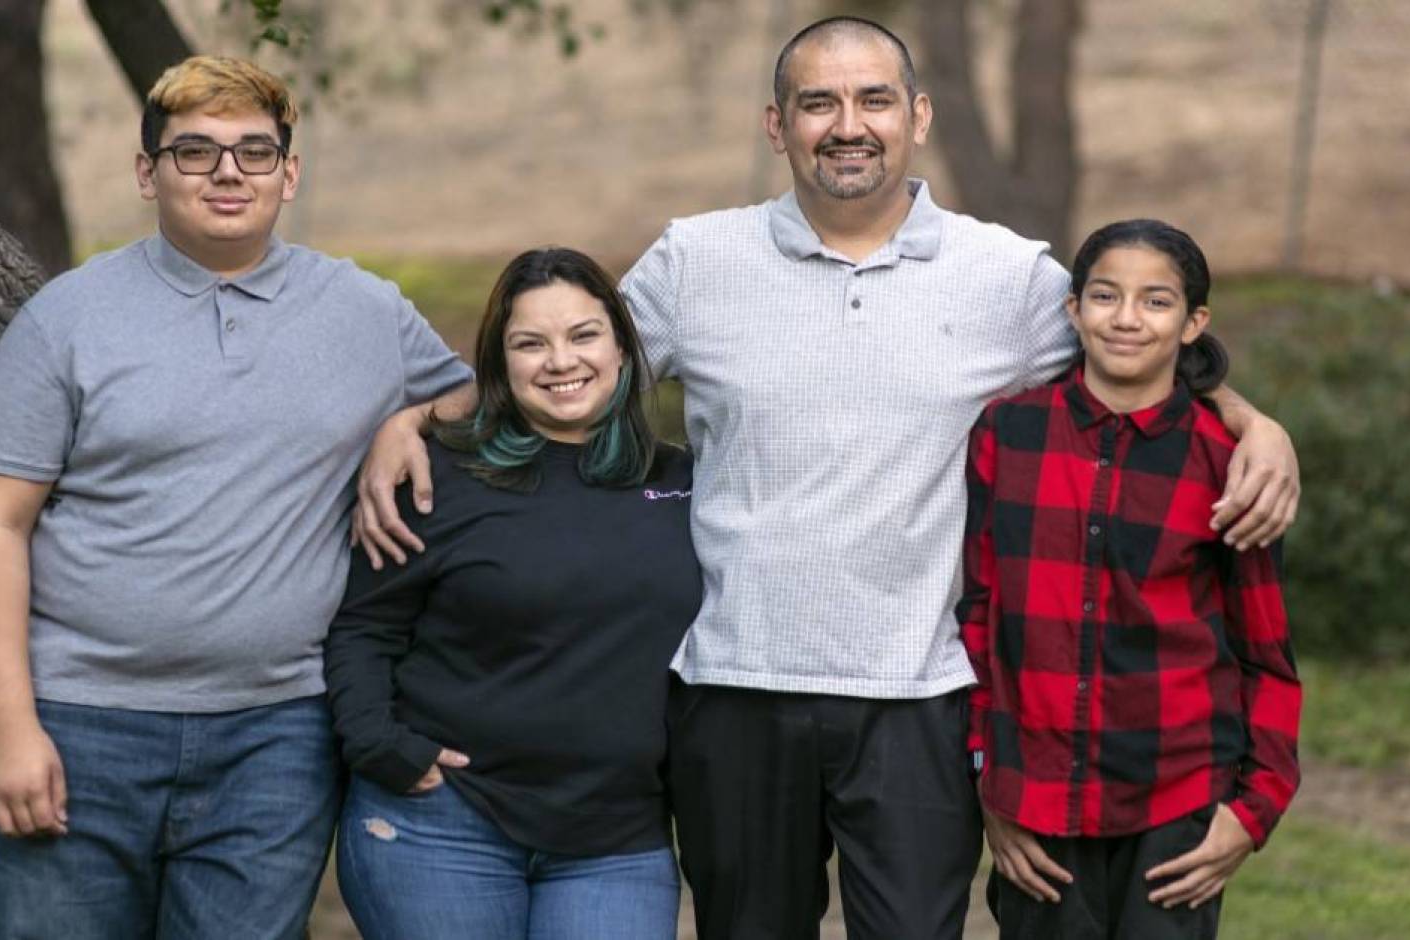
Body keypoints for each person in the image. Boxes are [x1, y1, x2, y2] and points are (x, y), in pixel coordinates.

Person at [355, 17, 1302, 940]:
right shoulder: (696, 260)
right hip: (734, 687)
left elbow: (1135, 361)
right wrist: (416, 416)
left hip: (919, 696)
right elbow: (570, 370)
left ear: (918, 117)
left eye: (874, 100)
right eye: (819, 103)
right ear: (778, 126)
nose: (848, 123)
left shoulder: (1005, 277)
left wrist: (1253, 422)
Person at [0, 55, 471, 938]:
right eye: (195, 152)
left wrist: (409, 419)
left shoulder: (363, 311)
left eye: (254, 152)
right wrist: (10, 728)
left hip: (278, 736)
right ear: (147, 174)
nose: (229, 173)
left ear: (289, 173)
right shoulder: (65, 320)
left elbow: (476, 398)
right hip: (84, 726)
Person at [324, 247, 697, 940]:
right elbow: (362, 627)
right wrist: (377, 745)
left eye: (584, 335)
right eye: (531, 343)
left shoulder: (684, 484)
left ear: (623, 346)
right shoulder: (437, 479)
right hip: (443, 823)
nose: (561, 362)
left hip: (616, 840)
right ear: (500, 363)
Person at [959, 219, 1302, 939]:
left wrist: (1254, 810)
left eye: (1156, 302)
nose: (1125, 319)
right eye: (1106, 295)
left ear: (1192, 323)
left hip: (1175, 803)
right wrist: (990, 784)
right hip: (1036, 804)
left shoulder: (1227, 463)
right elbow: (980, 620)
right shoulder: (1006, 434)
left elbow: (1264, 654)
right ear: (1073, 309)